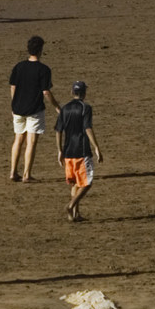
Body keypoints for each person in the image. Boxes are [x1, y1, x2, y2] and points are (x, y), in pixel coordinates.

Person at [8, 36, 61, 182]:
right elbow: (46, 92)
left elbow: (13, 87)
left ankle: (13, 172)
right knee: (31, 142)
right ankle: (26, 175)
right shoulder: (43, 70)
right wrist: (57, 107)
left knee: (18, 139)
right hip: (34, 110)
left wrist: (14, 104)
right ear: (40, 50)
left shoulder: (19, 66)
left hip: (18, 109)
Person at [56, 80, 101, 221]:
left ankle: (75, 214)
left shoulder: (64, 109)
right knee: (87, 183)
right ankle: (71, 205)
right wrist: (96, 147)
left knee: (75, 183)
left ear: (72, 92)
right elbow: (88, 128)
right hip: (81, 151)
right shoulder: (85, 108)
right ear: (84, 93)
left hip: (68, 151)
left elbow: (58, 131)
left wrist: (59, 150)